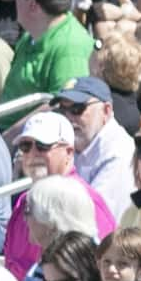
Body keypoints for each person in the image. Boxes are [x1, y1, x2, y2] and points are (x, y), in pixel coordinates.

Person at [1, 109, 115, 280]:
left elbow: (100, 271)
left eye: (42, 146)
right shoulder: (25, 201)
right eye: (25, 146)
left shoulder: (85, 201)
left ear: (69, 152)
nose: (32, 154)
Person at [0, 0, 93, 110]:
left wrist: (9, 132)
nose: (15, 0)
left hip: (30, 130)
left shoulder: (69, 46)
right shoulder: (30, 35)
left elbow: (61, 105)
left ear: (32, 5)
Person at [55, 75, 135, 214]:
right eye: (62, 110)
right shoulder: (69, 143)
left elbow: (94, 217)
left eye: (77, 109)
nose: (68, 118)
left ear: (106, 111)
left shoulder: (118, 152)